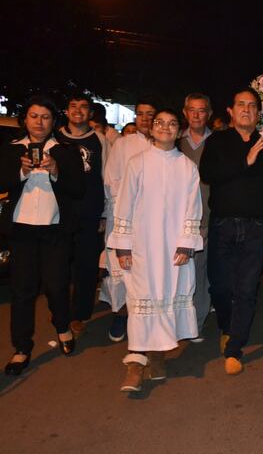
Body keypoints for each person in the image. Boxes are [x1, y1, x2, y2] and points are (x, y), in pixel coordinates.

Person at [199, 87, 263, 375]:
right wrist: (246, 162)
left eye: (252, 106)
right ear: (230, 110)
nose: (247, 110)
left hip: (257, 227)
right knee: (220, 285)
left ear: (258, 112)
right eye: (241, 104)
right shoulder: (218, 140)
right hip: (223, 224)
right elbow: (207, 174)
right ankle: (227, 327)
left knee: (246, 288)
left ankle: (234, 347)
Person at [109, 109, 203, 392]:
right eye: (160, 122)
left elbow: (192, 206)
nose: (165, 127)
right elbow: (124, 204)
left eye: (172, 123)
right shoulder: (137, 163)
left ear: (179, 130)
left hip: (174, 248)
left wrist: (187, 240)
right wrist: (123, 247)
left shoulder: (187, 167)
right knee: (141, 302)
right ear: (152, 128)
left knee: (167, 298)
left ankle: (158, 358)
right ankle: (136, 366)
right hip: (142, 246)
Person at [0, 95, 85, 375]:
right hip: (22, 229)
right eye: (34, 116)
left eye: (45, 117)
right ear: (25, 119)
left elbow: (78, 190)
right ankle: (22, 347)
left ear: (53, 121)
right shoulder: (10, 150)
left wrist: (57, 171)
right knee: (22, 290)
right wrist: (21, 172)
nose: (39, 122)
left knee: (57, 285)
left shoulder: (66, 151)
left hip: (54, 229)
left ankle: (62, 327)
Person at [101, 98, 157, 342]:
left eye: (150, 114)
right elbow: (110, 180)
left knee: (151, 270)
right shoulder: (123, 144)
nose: (145, 118)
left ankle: (149, 318)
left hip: (155, 221)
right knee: (123, 268)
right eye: (141, 114)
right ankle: (121, 315)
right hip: (125, 217)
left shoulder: (165, 145)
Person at [57, 92, 109, 338]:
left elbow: (106, 178)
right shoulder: (54, 137)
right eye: (73, 106)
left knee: (86, 266)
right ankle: (60, 311)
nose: (78, 110)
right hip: (59, 213)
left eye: (84, 107)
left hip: (91, 211)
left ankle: (80, 314)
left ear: (90, 113)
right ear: (66, 111)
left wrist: (105, 213)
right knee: (58, 266)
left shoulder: (99, 139)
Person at [179, 93, 214, 339]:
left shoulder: (218, 143)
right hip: (175, 219)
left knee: (200, 272)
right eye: (192, 110)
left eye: (201, 110)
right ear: (185, 112)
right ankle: (175, 322)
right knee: (178, 273)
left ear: (209, 113)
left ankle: (196, 322)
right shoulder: (174, 142)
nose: (196, 115)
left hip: (207, 217)